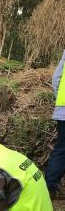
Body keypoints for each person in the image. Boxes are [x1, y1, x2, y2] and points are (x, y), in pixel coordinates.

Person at [45, 50, 65, 199]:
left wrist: (60, 101)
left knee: (61, 149)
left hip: (63, 110)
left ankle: (50, 187)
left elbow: (56, 78)